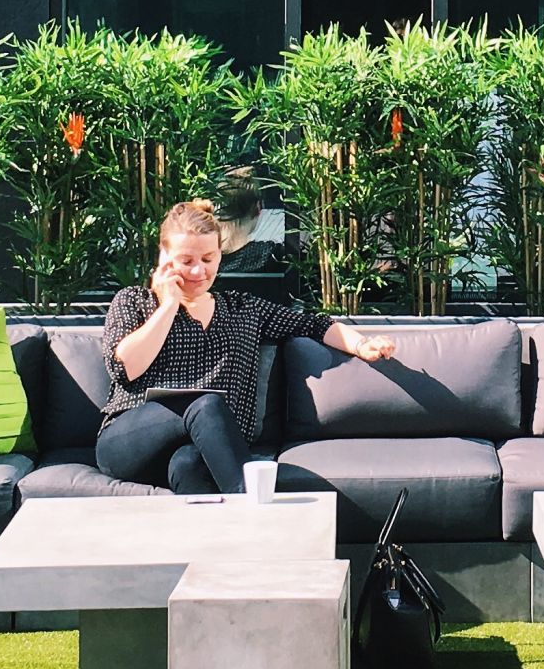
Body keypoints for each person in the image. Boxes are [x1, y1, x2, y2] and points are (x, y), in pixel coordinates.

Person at [94, 198, 396, 493]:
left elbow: (314, 325)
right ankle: (253, 506)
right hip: (130, 444)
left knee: (189, 465)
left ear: (220, 255)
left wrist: (362, 344)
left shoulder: (244, 310)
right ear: (164, 257)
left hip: (205, 451)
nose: (198, 271)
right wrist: (169, 306)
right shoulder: (135, 301)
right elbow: (124, 369)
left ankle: (220, 525)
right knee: (206, 404)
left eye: (207, 259)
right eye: (186, 261)